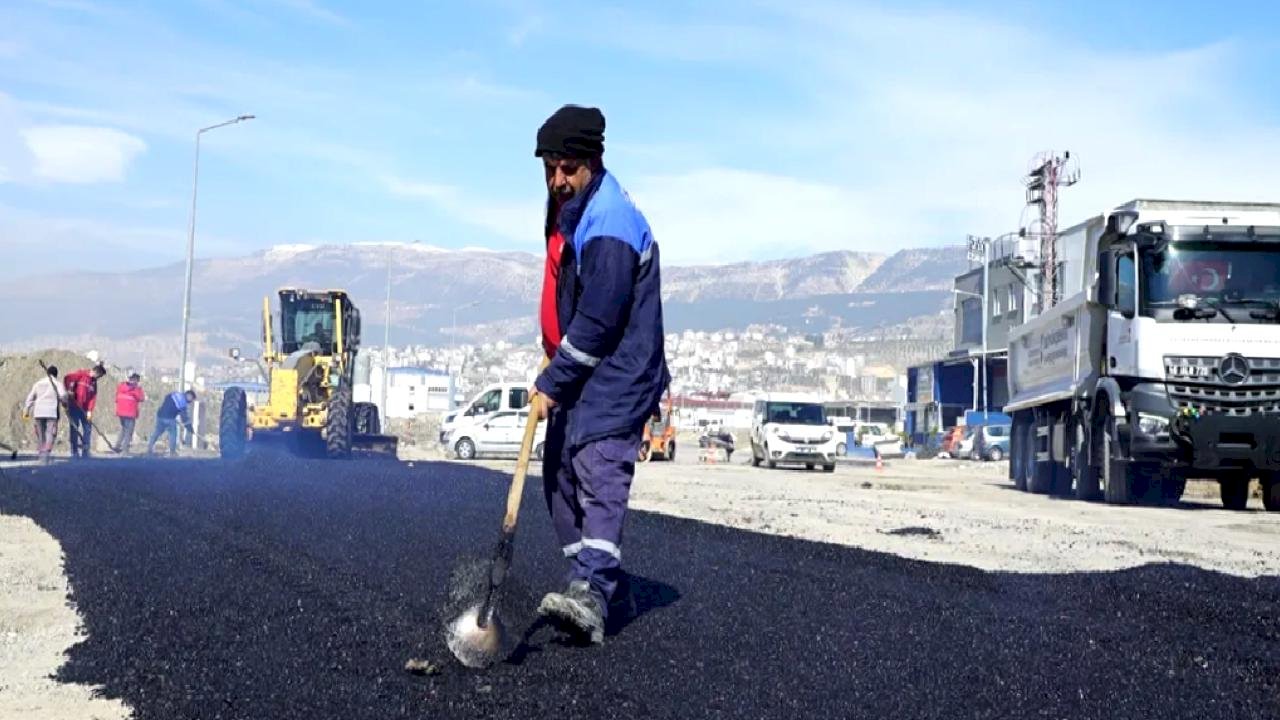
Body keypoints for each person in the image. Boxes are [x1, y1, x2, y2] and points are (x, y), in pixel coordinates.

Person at [529, 104, 670, 645]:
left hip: (619, 373)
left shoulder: (610, 221)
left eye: (568, 168)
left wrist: (553, 378)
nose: (558, 180)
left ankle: (591, 592)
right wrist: (551, 353)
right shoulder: (572, 208)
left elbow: (598, 322)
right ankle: (601, 584)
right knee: (558, 474)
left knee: (598, 470)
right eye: (550, 168)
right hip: (585, 369)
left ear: (594, 160)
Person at [23, 364, 66, 464]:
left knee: (41, 434)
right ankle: (46, 454)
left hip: (38, 412)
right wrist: (65, 404)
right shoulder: (57, 384)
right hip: (51, 412)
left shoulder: (38, 383)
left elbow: (30, 398)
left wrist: (26, 410)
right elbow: (63, 396)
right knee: (50, 434)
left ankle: (41, 455)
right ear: (56, 374)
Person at [63, 362, 106, 458]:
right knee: (74, 428)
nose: (98, 378)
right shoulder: (81, 374)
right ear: (95, 372)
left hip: (85, 410)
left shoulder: (94, 382)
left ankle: (85, 451)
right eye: (99, 376)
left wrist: (90, 411)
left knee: (88, 429)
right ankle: (74, 451)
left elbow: (93, 397)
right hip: (74, 406)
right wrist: (68, 390)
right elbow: (67, 378)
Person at [147, 389, 196, 456]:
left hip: (160, 415)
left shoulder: (174, 394)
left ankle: (149, 448)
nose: (190, 401)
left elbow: (167, 399)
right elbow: (184, 418)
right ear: (188, 395)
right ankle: (172, 452)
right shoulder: (183, 402)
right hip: (170, 419)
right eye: (191, 399)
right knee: (173, 434)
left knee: (157, 432)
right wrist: (189, 428)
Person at [115, 372, 146, 454]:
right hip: (130, 413)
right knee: (129, 431)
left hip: (120, 412)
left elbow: (116, 399)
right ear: (136, 380)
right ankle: (125, 449)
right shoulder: (135, 389)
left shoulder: (121, 386)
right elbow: (141, 398)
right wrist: (139, 388)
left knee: (123, 429)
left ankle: (117, 446)